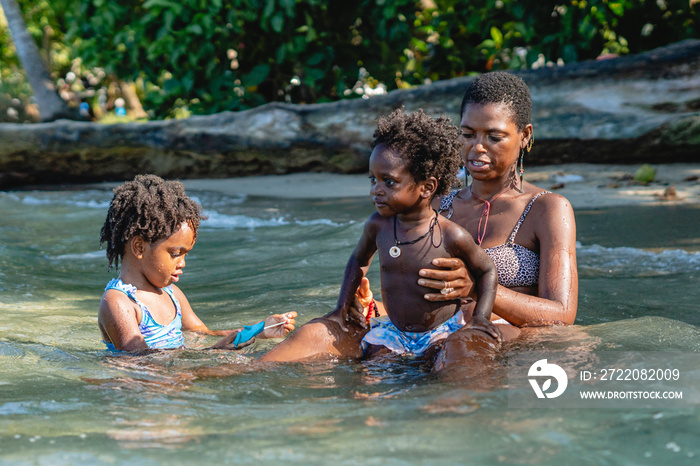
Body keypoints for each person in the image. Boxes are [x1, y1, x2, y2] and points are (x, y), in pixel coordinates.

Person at [262, 71, 577, 367]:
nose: (477, 147)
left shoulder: (548, 208)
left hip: (491, 336)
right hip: (416, 333)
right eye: (467, 133)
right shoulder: (434, 201)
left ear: (524, 135)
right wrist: (374, 305)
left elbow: (562, 316)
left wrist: (477, 290)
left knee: (460, 348)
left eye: (494, 136)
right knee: (317, 333)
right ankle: (231, 377)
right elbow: (416, 293)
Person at [323, 108, 499, 360]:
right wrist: (341, 308)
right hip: (394, 331)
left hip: (440, 332)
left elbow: (487, 270)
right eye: (373, 180)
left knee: (440, 366)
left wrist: (480, 317)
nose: (376, 190)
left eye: (389, 182)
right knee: (372, 371)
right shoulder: (378, 225)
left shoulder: (451, 235)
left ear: (427, 187)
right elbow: (358, 260)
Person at [98, 174, 296, 352]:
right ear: (139, 247)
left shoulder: (172, 294)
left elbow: (204, 334)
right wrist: (211, 353)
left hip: (173, 379)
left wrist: (259, 330)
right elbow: (139, 360)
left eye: (185, 254)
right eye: (175, 253)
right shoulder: (119, 302)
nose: (182, 263)